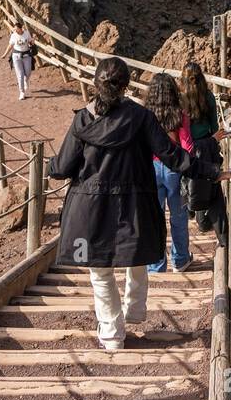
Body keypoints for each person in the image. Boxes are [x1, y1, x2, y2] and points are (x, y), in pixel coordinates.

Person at [49, 57, 222, 350]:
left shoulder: (82, 119)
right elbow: (173, 155)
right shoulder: (141, 118)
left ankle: (112, 334)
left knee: (100, 272)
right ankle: (135, 310)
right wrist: (213, 171)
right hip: (134, 203)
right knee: (137, 254)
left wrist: (49, 165)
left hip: (90, 207)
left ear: (96, 84)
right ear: (127, 86)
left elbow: (62, 168)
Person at [144, 73, 197, 274]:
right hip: (174, 169)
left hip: (151, 168)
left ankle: (156, 265)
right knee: (178, 217)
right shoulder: (179, 113)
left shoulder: (145, 114)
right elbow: (188, 146)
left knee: (154, 218)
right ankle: (180, 259)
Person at [179, 60, 228, 244]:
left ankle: (193, 210)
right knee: (209, 183)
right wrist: (214, 140)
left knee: (190, 180)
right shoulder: (208, 97)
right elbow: (215, 125)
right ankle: (205, 222)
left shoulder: (181, 98)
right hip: (208, 142)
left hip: (189, 145)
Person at [1, 19, 35, 100]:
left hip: (26, 55)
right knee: (20, 75)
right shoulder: (13, 35)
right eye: (15, 29)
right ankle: (22, 92)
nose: (15, 30)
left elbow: (30, 42)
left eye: (17, 29)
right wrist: (5, 54)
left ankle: (25, 81)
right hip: (16, 56)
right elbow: (10, 46)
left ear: (21, 28)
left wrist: (33, 41)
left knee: (28, 72)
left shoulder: (26, 33)